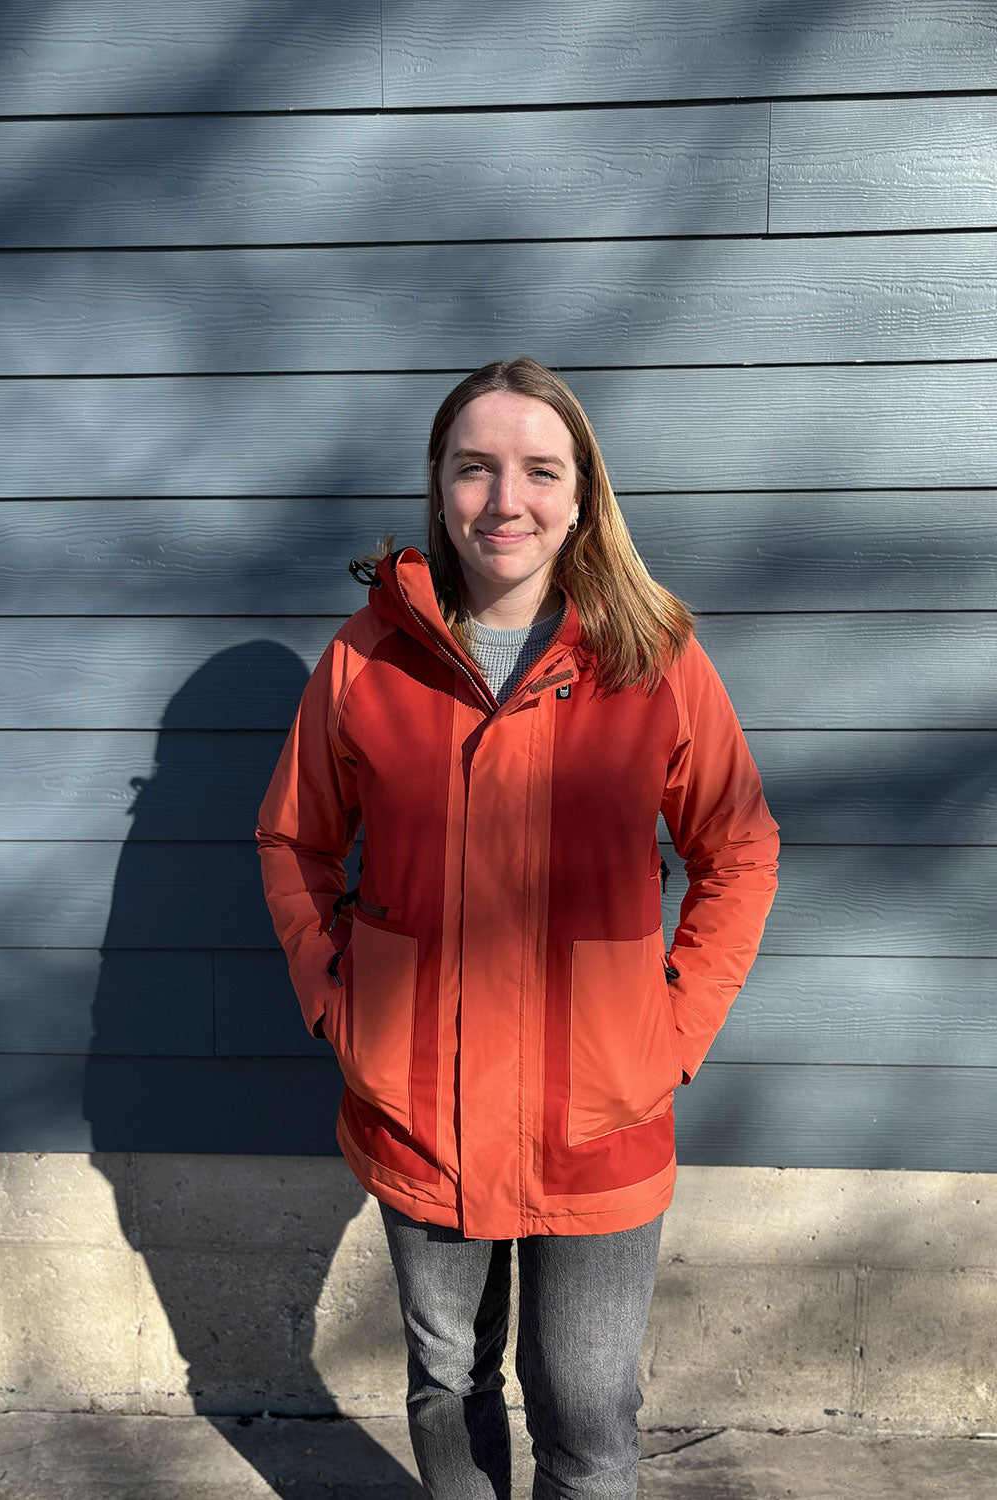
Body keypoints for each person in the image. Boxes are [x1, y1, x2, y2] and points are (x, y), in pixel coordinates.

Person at [256, 357, 779, 1499]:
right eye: (475, 467)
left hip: (600, 1104)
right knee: (447, 1381)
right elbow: (293, 840)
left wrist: (671, 1029)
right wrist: (339, 1002)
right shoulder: (364, 659)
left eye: (541, 470)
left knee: (587, 1412)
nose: (506, 499)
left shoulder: (655, 659)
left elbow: (738, 851)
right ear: (438, 487)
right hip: (418, 1100)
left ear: (583, 496)